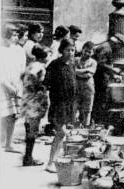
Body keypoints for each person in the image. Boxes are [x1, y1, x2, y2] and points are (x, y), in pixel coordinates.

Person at [44, 38, 77, 173]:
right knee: (61, 132)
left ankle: (56, 160)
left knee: (63, 133)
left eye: (72, 50)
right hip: (58, 104)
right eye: (68, 50)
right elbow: (46, 84)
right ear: (61, 50)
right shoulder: (54, 65)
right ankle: (50, 163)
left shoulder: (72, 65)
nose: (70, 52)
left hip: (69, 104)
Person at [20, 45, 50, 166]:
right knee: (33, 129)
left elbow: (23, 76)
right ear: (44, 56)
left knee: (29, 127)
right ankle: (28, 158)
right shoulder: (39, 66)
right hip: (35, 100)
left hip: (28, 98)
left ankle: (28, 156)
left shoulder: (31, 64)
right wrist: (39, 85)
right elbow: (32, 75)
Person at [0, 24, 24, 153]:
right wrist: (7, 85)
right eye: (12, 35)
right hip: (2, 86)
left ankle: (9, 143)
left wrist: (17, 85)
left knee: (13, 115)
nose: (15, 37)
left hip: (15, 85)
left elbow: (18, 68)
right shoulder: (0, 50)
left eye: (16, 35)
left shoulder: (16, 50)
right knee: (3, 115)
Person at [74, 41, 97, 127]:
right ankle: (74, 128)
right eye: (85, 51)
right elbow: (72, 71)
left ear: (93, 52)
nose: (87, 53)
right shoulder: (75, 60)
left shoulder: (93, 62)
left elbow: (90, 73)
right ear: (82, 49)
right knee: (75, 107)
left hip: (88, 87)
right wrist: (85, 70)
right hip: (76, 86)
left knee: (87, 109)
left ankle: (86, 126)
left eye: (89, 52)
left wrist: (78, 72)